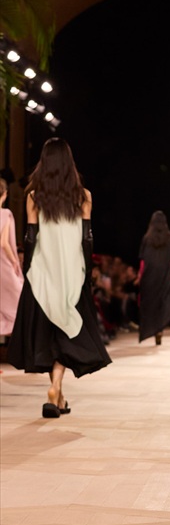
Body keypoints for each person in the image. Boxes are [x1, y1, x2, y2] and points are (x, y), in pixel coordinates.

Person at [8, 138, 111, 416]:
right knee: (65, 331)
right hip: (72, 273)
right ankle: (56, 391)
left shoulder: (34, 196)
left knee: (48, 333)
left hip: (43, 272)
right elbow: (87, 238)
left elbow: (30, 237)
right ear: (69, 163)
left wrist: (29, 271)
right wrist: (87, 271)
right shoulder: (84, 196)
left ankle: (56, 392)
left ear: (44, 163)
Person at [138, 211, 170, 345]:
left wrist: (140, 275)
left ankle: (152, 330)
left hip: (149, 275)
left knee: (150, 304)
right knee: (163, 302)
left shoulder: (147, 238)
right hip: (164, 274)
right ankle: (159, 330)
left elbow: (142, 260)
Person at [0, 178, 24, 339]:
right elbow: (3, 242)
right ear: (5, 194)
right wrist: (14, 261)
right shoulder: (5, 214)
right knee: (19, 300)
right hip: (3, 264)